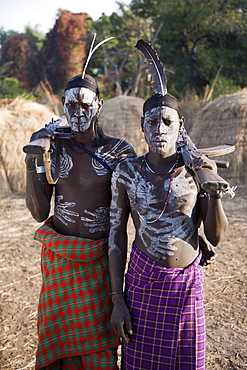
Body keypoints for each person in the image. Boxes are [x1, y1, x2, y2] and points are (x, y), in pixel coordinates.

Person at [108, 92, 228, 370]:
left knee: (189, 362)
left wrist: (213, 190)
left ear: (180, 125)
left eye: (167, 121)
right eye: (152, 122)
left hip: (187, 288)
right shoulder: (127, 172)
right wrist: (118, 299)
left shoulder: (195, 171)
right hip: (142, 287)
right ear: (142, 125)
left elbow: (217, 237)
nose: (159, 129)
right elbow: (116, 234)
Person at [25, 73, 136, 369]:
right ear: (62, 105)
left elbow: (136, 214)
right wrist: (33, 162)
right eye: (70, 105)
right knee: (56, 346)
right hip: (60, 261)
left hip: (100, 265)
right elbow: (38, 213)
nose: (77, 112)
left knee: (99, 352)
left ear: (98, 105)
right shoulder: (52, 148)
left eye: (85, 105)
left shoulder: (119, 151)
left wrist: (190, 231)